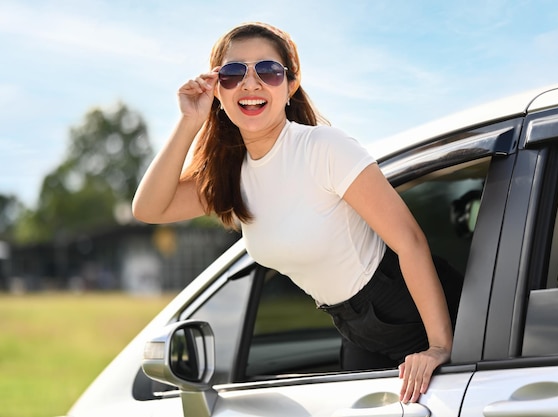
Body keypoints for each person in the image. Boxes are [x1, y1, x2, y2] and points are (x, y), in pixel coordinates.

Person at [132, 21, 453, 404]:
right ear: (217, 90)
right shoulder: (229, 175)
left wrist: (438, 346)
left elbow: (409, 241)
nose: (251, 84)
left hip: (415, 309)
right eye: (233, 73)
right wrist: (189, 121)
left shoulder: (323, 147)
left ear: (291, 85)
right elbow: (149, 208)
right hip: (353, 325)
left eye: (267, 71)